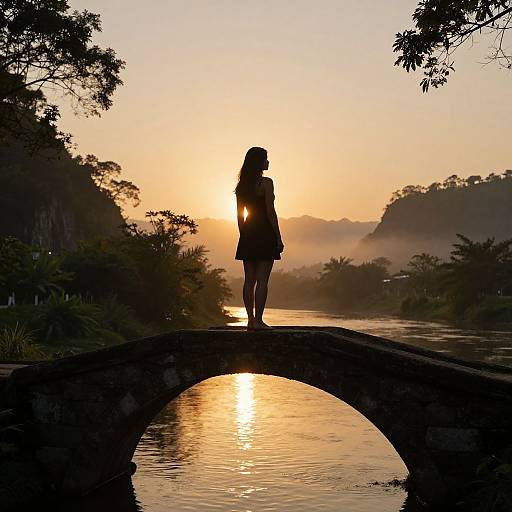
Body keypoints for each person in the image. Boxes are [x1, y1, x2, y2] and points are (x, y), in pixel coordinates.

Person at [235, 147, 284, 330]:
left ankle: (249, 320)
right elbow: (270, 212)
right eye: (266, 159)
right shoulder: (266, 183)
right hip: (264, 231)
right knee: (262, 280)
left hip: (248, 231)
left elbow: (240, 216)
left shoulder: (242, 186)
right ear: (259, 162)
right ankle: (258, 321)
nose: (268, 162)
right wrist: (278, 237)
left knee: (249, 280)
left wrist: (244, 235)